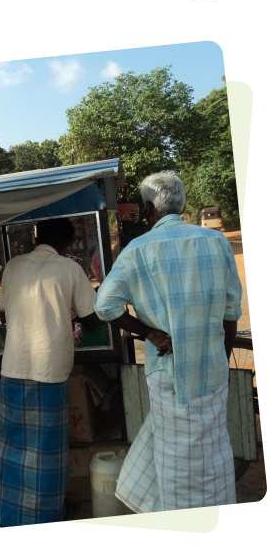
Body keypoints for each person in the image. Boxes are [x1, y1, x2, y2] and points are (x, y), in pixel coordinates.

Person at [94, 172, 242, 513]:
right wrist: (221, 355)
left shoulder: (137, 250)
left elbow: (104, 306)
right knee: (213, 452)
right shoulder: (216, 241)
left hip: (168, 370)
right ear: (183, 205)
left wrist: (148, 332)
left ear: (148, 208)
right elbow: (231, 312)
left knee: (174, 458)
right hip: (211, 368)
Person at [0, 218, 105, 527]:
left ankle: (4, 516)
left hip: (13, 369)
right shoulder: (69, 269)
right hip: (49, 371)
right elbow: (92, 321)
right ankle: (43, 518)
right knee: (45, 455)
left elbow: (3, 308)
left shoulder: (13, 267)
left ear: (37, 237)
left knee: (12, 447)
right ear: (67, 243)